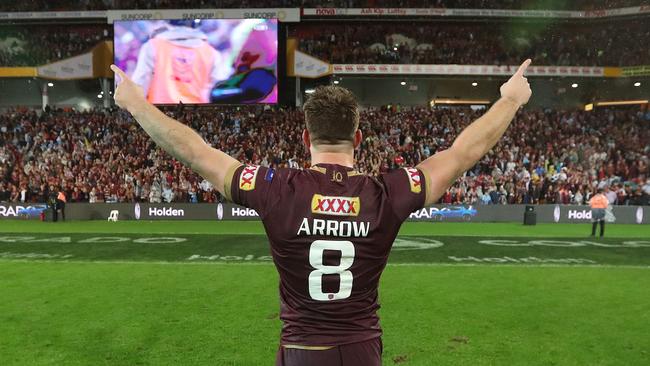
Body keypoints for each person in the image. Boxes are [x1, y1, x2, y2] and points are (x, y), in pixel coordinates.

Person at [110, 59, 532, 366]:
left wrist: (136, 104)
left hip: (301, 350)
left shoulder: (278, 190)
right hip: (362, 348)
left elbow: (196, 151)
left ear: (307, 135)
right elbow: (461, 154)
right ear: (359, 136)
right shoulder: (388, 192)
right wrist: (510, 100)